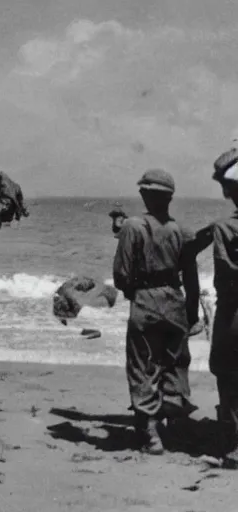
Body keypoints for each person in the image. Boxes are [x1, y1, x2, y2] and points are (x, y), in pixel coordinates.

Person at [112, 169, 194, 455]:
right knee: (174, 365)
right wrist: (191, 312)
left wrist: (134, 292)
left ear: (144, 194)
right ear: (170, 198)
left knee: (142, 366)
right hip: (175, 300)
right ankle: (174, 427)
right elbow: (191, 275)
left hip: (146, 300)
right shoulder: (181, 230)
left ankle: (150, 433)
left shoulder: (133, 226)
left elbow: (122, 274)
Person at [202, 147, 238, 466]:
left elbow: (225, 278)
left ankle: (234, 447)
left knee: (228, 376)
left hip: (233, 314)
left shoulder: (224, 228)